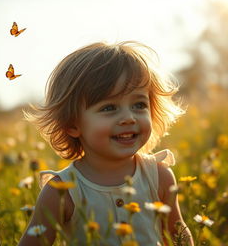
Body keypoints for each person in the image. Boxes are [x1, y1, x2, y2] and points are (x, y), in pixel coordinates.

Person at [18, 41, 194, 246]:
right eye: (109, 108)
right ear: (72, 124)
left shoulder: (159, 177)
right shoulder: (61, 191)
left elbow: (177, 234)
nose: (129, 117)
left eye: (139, 105)